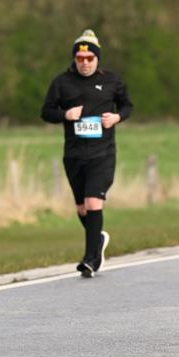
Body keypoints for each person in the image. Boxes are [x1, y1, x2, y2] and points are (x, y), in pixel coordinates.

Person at [40, 30, 133, 277]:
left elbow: (127, 105)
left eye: (90, 58)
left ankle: (90, 259)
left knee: (94, 202)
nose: (85, 62)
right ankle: (98, 239)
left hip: (102, 154)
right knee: (83, 209)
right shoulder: (61, 82)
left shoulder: (112, 80)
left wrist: (116, 117)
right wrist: (65, 115)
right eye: (80, 58)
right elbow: (46, 111)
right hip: (74, 154)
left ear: (97, 59)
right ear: (75, 59)